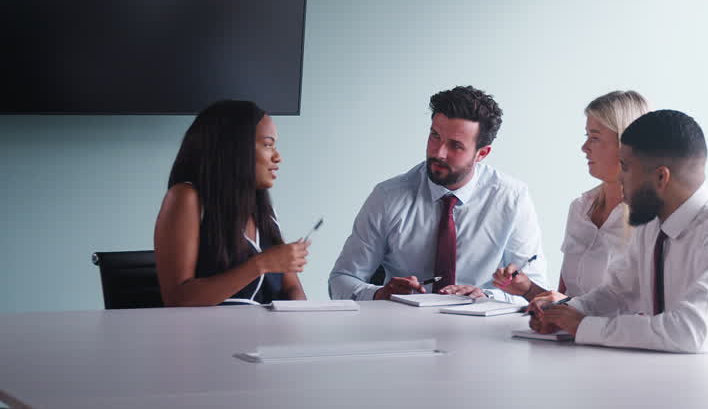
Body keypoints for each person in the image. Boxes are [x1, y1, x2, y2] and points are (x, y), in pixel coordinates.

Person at [531, 110, 708, 364]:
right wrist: (568, 312)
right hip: (681, 375)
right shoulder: (652, 225)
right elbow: (618, 292)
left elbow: (692, 332)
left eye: (625, 168)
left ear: (660, 177)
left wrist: (585, 327)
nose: (619, 178)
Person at [328, 85, 547, 301]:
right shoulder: (388, 196)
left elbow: (537, 291)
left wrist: (487, 296)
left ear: (482, 154)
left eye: (455, 146)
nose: (439, 153)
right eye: (435, 136)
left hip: (482, 320)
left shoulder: (512, 199)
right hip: (403, 320)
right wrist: (379, 294)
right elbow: (341, 280)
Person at [493, 90, 651, 300]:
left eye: (595, 138)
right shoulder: (581, 208)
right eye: (587, 137)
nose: (584, 147)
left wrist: (570, 308)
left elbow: (645, 313)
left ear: (626, 145)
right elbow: (565, 298)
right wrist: (527, 289)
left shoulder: (651, 221)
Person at [154, 100, 309, 306]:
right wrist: (261, 264)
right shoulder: (186, 197)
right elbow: (177, 299)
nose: (277, 157)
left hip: (266, 327)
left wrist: (295, 313)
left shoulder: (262, 208)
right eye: (268, 144)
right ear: (234, 148)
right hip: (210, 328)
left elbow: (292, 287)